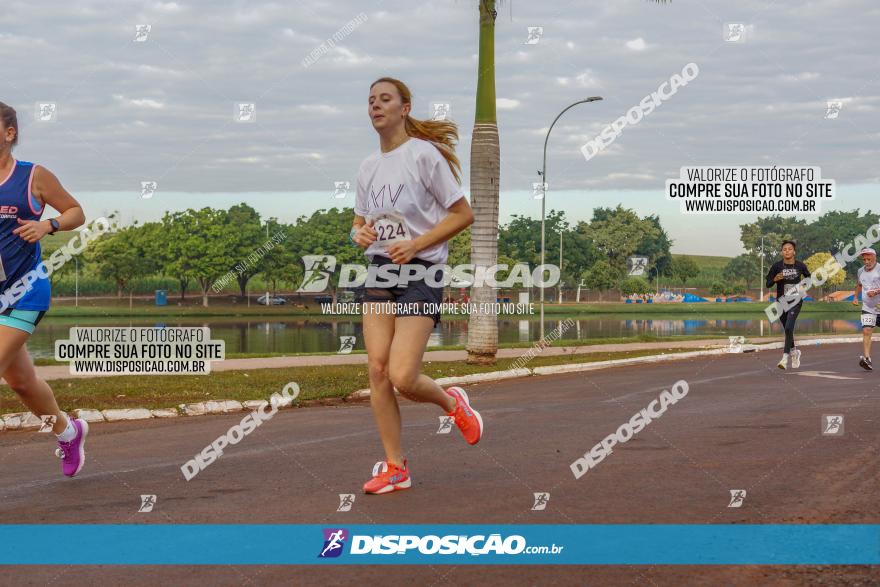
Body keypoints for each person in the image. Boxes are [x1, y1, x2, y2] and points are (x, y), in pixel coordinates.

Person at [350, 77, 481, 495]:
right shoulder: (367, 167)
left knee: (404, 376)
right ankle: (395, 467)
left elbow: (463, 214)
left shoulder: (424, 156)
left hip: (421, 270)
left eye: (384, 99)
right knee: (377, 370)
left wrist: (417, 244)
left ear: (405, 108)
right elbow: (359, 221)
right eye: (370, 100)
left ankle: (452, 403)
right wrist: (360, 234)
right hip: (379, 271)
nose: (375, 106)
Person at [0, 102, 88, 476]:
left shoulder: (33, 176)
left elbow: (76, 212)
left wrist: (48, 226)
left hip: (25, 292)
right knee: (20, 381)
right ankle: (69, 433)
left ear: (9, 133)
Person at [766, 239, 810, 370]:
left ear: (794, 252)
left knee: (789, 327)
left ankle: (785, 358)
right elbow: (768, 283)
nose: (787, 251)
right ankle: (795, 352)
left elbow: (809, 279)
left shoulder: (800, 266)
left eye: (789, 249)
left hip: (796, 300)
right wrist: (775, 279)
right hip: (781, 302)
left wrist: (803, 287)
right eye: (784, 249)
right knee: (787, 329)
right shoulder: (777, 266)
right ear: (781, 252)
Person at [852, 247, 879, 371]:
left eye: (869, 259)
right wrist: (856, 297)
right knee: (866, 331)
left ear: (875, 257)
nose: (867, 262)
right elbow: (859, 284)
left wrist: (876, 291)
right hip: (868, 307)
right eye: (864, 259)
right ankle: (867, 359)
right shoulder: (860, 271)